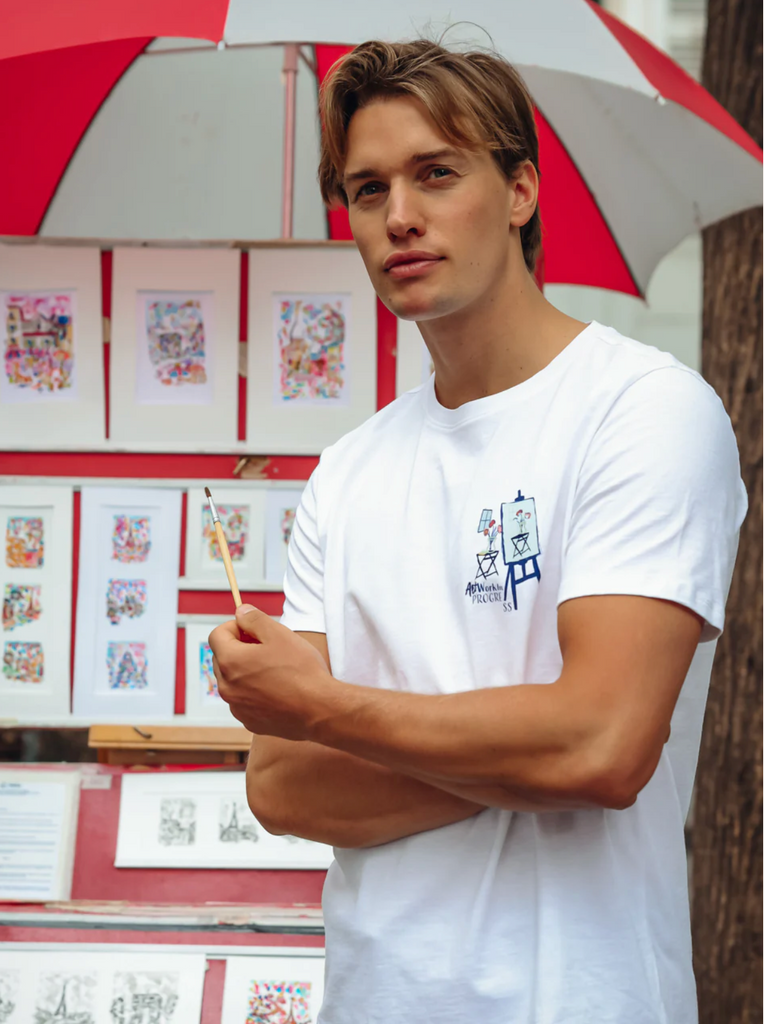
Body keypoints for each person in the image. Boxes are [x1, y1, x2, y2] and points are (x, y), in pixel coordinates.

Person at [209, 38, 748, 1024]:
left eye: (436, 173)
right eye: (367, 190)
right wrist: (527, 755)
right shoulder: (349, 472)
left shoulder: (643, 411)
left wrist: (324, 707)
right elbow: (282, 786)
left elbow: (602, 746)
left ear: (519, 191)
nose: (399, 216)